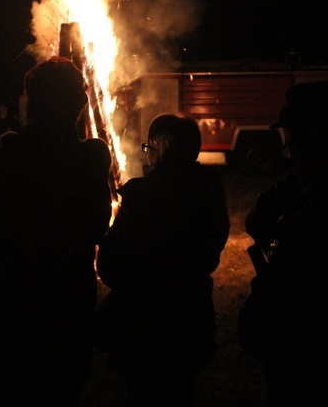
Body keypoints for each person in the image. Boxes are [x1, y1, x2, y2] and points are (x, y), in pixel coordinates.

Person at [0, 57, 112, 406]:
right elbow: (99, 227)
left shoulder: (3, 163)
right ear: (79, 104)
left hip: (12, 306)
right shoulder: (89, 160)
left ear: (32, 101)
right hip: (67, 305)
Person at [96, 113, 230, 407]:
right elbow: (211, 249)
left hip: (145, 328)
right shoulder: (209, 189)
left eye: (148, 147)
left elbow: (110, 265)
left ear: (158, 149)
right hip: (191, 320)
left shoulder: (143, 196)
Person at [238, 80, 328, 406]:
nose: (290, 151)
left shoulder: (315, 209)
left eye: (294, 141)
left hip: (308, 355)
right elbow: (256, 221)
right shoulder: (298, 188)